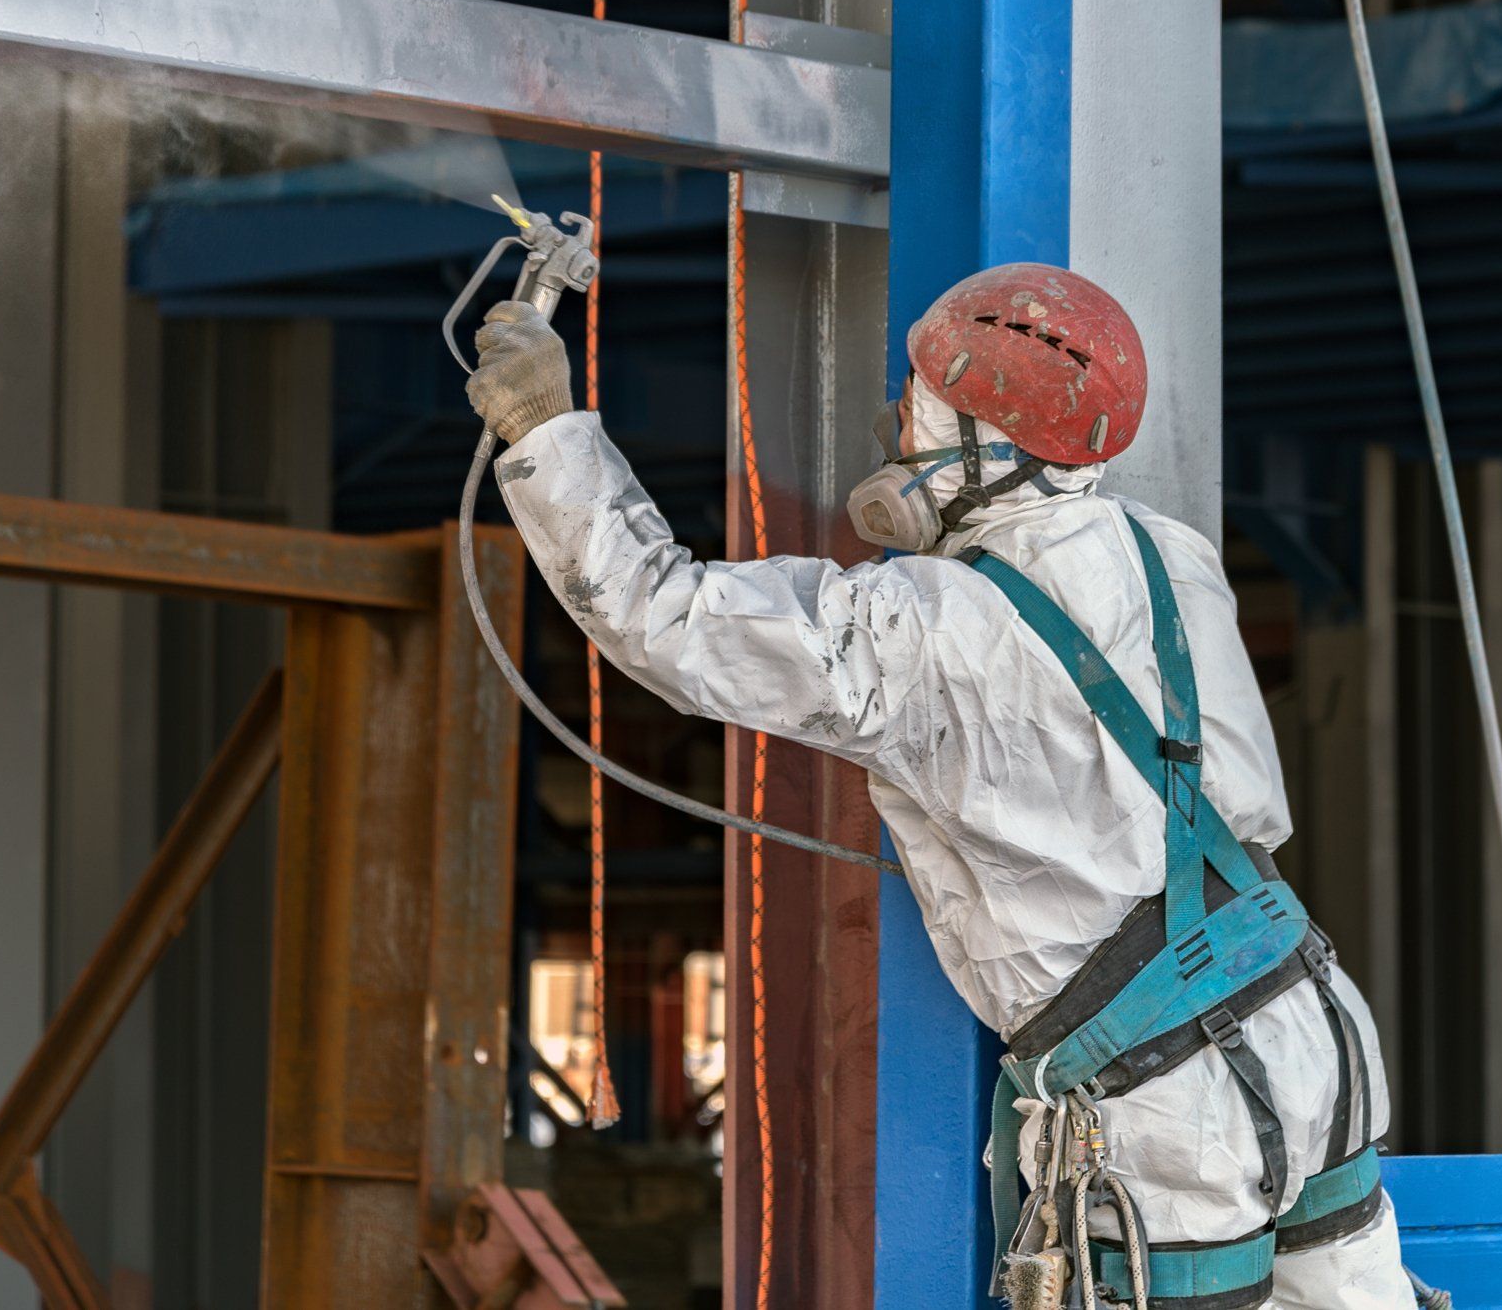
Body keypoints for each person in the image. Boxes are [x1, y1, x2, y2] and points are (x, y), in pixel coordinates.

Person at [467, 262, 1416, 1310]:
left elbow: (666, 616)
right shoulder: (1173, 556)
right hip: (1312, 1027)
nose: (893, 436)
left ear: (986, 447)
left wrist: (545, 429)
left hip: (1165, 1097)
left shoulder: (925, 627)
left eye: (918, 414)